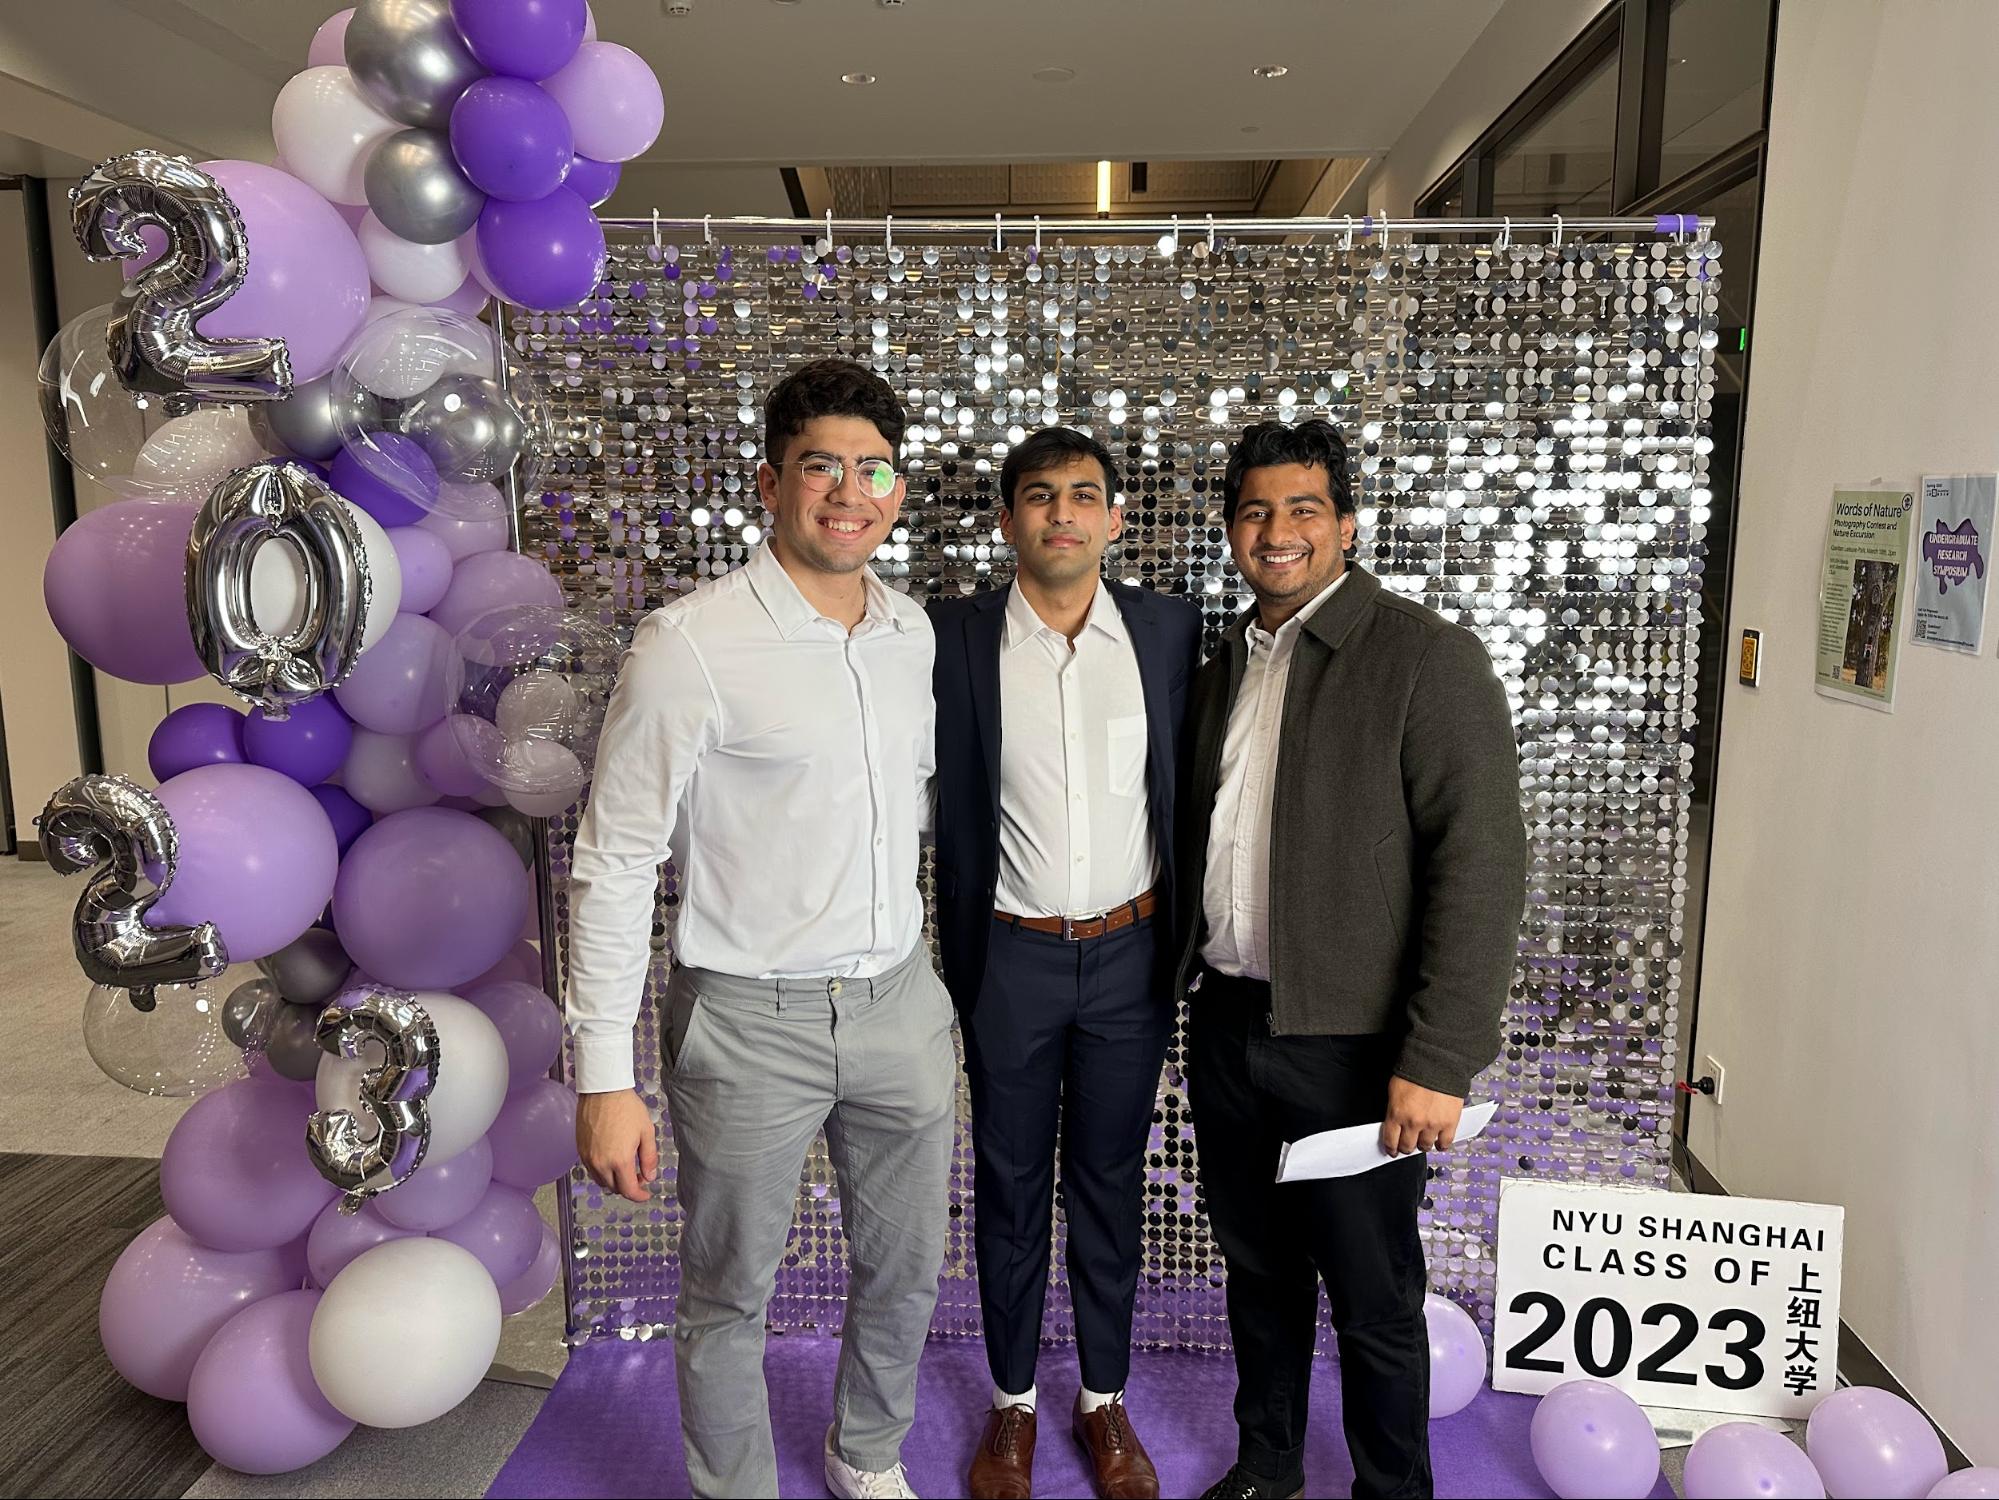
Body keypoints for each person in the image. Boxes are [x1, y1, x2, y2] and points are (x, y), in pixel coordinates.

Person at [566, 358, 954, 1500]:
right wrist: (604, 1073)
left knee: (908, 1269)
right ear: (769, 484)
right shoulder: (688, 644)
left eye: (874, 467)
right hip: (745, 1022)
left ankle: (866, 1455)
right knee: (729, 1288)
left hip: (897, 1004)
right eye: (821, 466)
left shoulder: (912, 634)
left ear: (896, 485)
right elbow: (617, 859)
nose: (851, 490)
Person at [1176, 420, 1527, 1500]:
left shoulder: (1424, 657)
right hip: (1229, 1025)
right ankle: (1268, 1469)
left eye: (1302, 510)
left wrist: (1440, 1055)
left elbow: (1482, 865)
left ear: (1346, 523)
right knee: (1257, 1271)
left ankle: (1391, 1491)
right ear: (1231, 527)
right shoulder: (1221, 661)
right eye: (1253, 511)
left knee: (1373, 1292)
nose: (1275, 533)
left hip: (1353, 1047)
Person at [929, 427, 1201, 1500]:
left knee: (1106, 1182)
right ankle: (1010, 1406)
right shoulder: (950, 637)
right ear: (1007, 521)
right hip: (1009, 957)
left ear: (1114, 518)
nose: (1061, 515)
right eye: (1038, 497)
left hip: (1131, 959)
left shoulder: (1169, 634)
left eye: (1083, 496)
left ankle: (1102, 1401)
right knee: (1005, 1184)